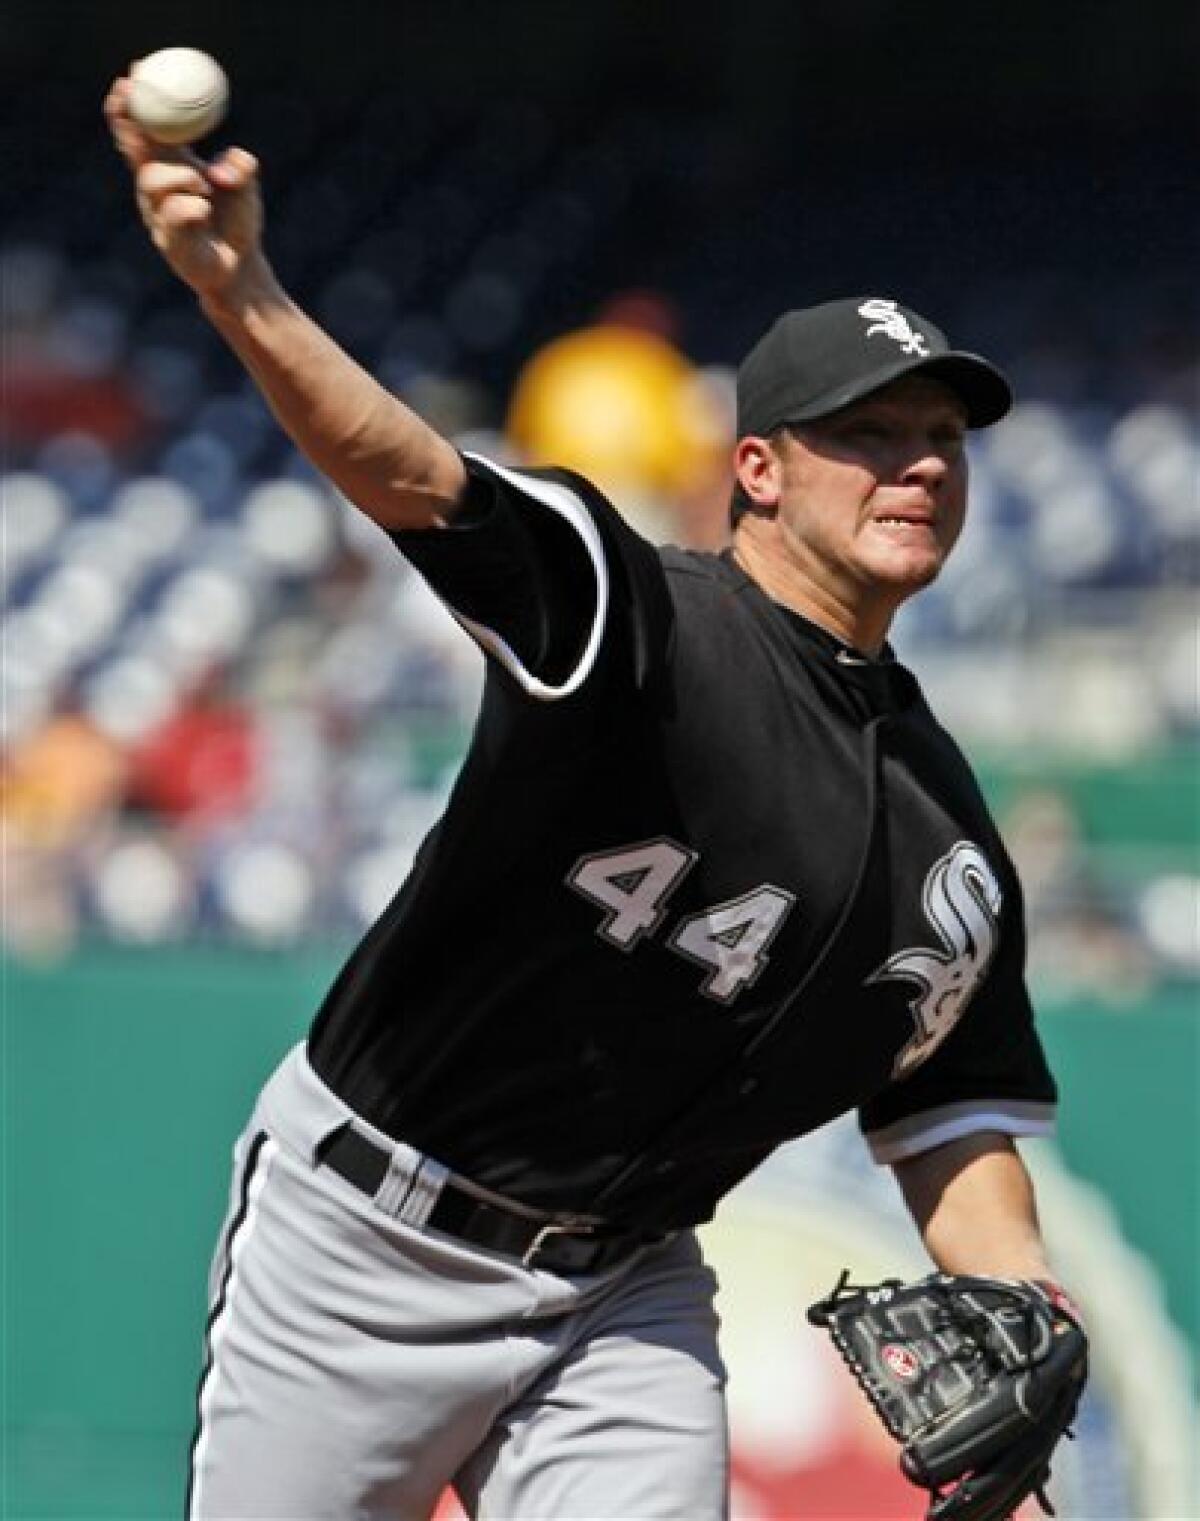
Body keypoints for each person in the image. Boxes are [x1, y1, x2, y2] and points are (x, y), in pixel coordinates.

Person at [107, 75, 1068, 1521]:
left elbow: (950, 1114)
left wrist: (1031, 1370)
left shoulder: (947, 841)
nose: (920, 461)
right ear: (755, 469)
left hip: (623, 1284)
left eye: (942, 434)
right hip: (369, 1233)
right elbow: (412, 474)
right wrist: (243, 289)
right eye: (869, 431)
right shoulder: (636, 623)